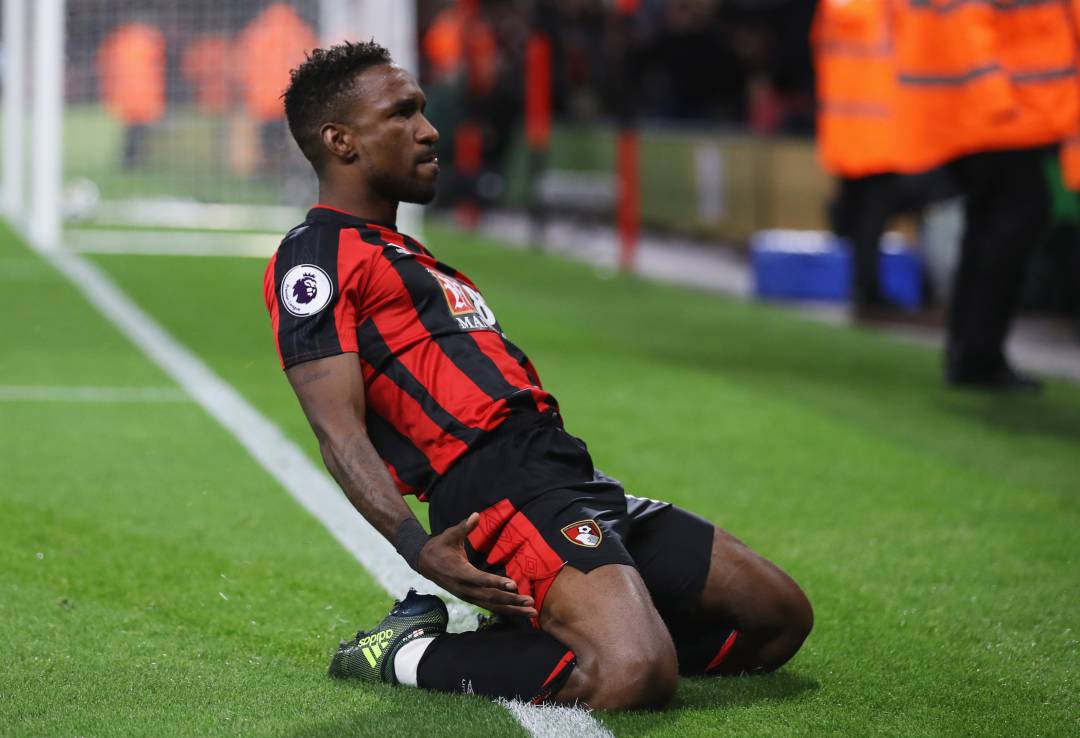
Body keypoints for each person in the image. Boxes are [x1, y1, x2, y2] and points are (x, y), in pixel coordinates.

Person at [264, 41, 812, 710]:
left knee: (776, 621)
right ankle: (409, 652)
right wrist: (416, 548)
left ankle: (557, 623)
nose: (429, 130)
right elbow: (337, 428)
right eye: (402, 114)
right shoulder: (314, 257)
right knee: (633, 672)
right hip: (495, 489)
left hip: (567, 475)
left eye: (423, 111)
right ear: (340, 141)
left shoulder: (406, 254)